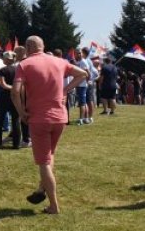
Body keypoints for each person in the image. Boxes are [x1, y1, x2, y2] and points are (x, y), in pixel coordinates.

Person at [11, 36, 87, 214]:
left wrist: (21, 112)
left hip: (39, 119)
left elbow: (15, 92)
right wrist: (65, 90)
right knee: (50, 154)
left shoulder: (24, 65)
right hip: (60, 117)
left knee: (44, 162)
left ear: (28, 47)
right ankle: (41, 189)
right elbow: (83, 74)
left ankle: (54, 205)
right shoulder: (59, 62)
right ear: (43, 46)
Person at [0, 51, 21, 149]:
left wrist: (11, 88)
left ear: (6, 59)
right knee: (16, 120)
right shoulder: (18, 70)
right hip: (16, 96)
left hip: (4, 96)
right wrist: (15, 88)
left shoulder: (3, 70)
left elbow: (3, 84)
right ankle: (16, 143)